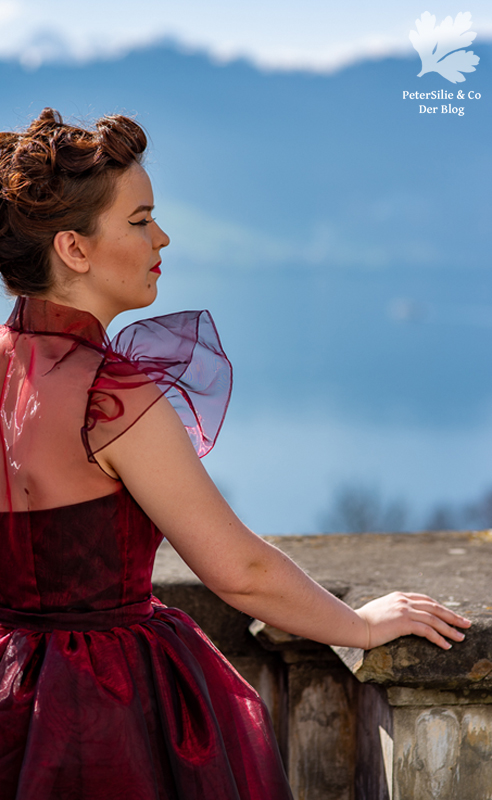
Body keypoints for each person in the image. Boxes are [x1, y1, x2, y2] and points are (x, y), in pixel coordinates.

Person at [0, 107, 470, 800]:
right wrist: (359, 626)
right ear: (73, 248)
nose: (162, 237)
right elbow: (240, 571)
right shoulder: (110, 396)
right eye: (140, 220)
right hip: (105, 708)